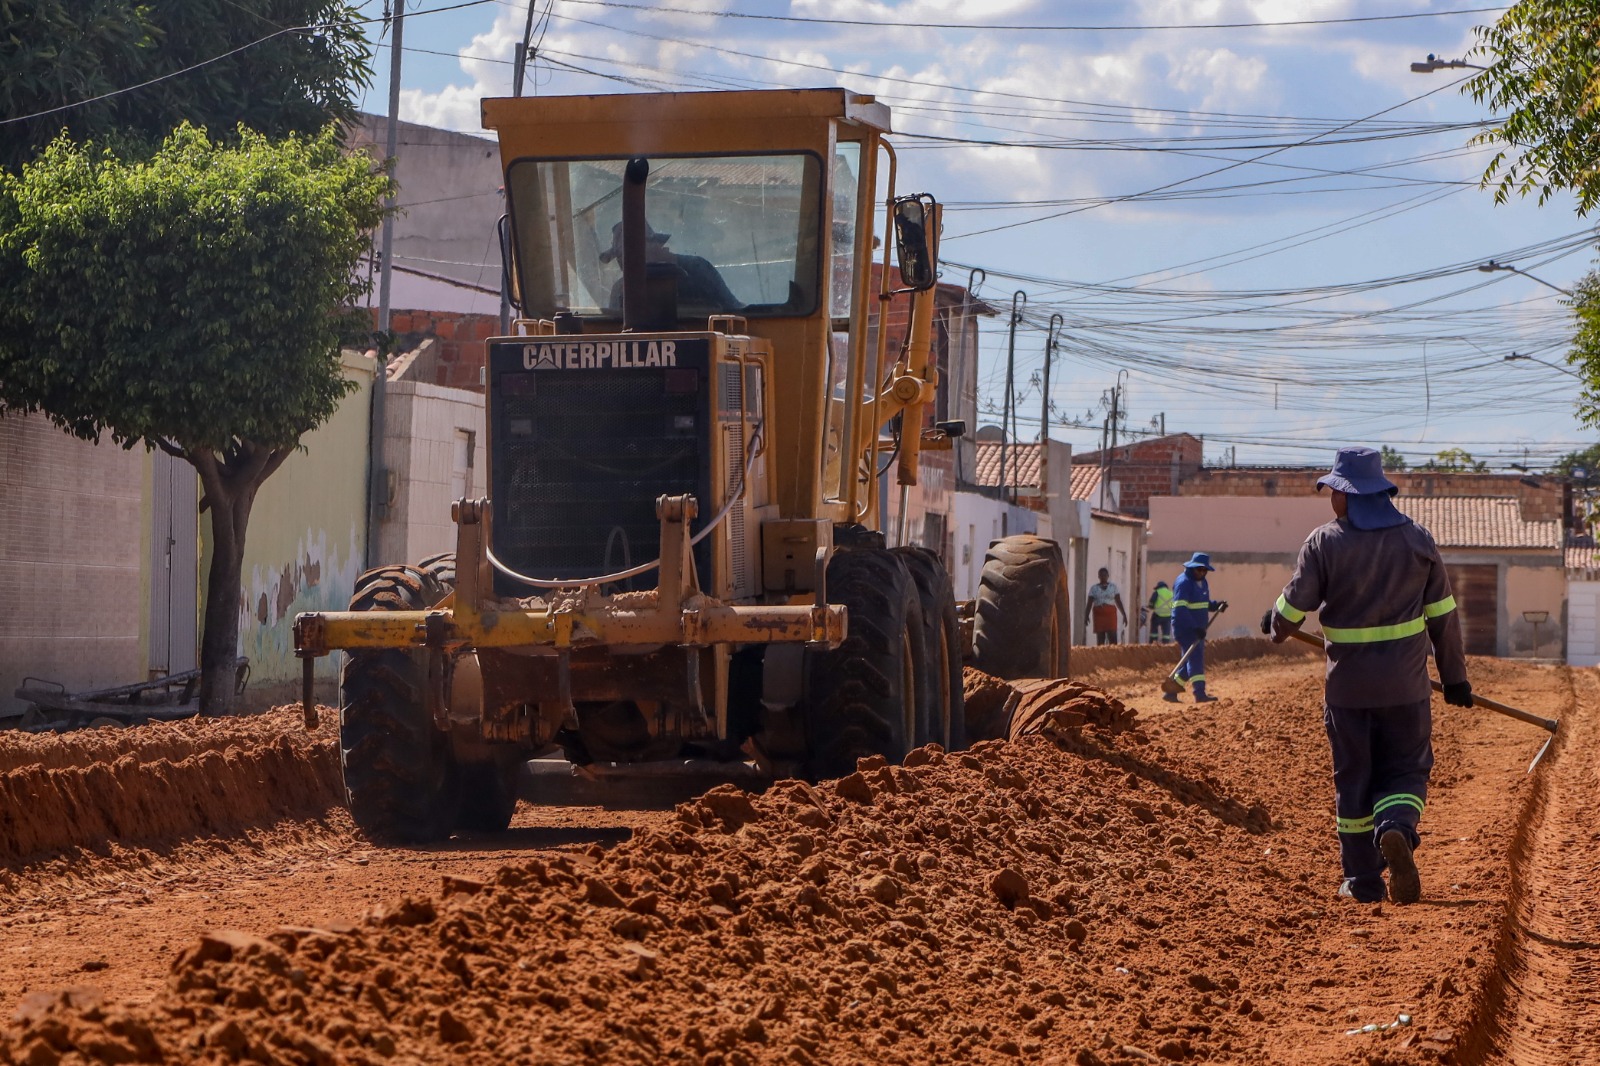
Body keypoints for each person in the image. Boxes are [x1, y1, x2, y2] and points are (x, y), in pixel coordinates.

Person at [1263, 446, 1470, 906]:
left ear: (1348, 495)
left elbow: (1294, 608)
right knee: (1406, 770)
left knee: (1354, 780)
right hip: (1406, 688)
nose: (1330, 498)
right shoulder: (1418, 539)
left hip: (1348, 693)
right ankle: (1395, 827)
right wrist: (1455, 679)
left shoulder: (1324, 542)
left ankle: (1363, 882)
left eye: (1333, 490)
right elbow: (1443, 618)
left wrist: (1274, 622)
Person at [601, 220, 743, 314]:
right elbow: (614, 331)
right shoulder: (621, 290)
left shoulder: (697, 269)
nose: (622, 262)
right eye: (619, 256)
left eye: (631, 251)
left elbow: (736, 312)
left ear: (655, 244)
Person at [1167, 553, 1226, 703]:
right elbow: (1180, 610)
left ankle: (1171, 691)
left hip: (1199, 628)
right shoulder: (1184, 583)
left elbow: (1202, 603)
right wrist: (1194, 628)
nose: (1201, 573)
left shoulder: (1203, 582)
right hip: (1186, 628)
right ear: (1191, 568)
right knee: (1196, 660)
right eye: (1198, 570)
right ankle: (1199, 693)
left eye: (1204, 570)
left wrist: (1216, 606)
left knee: (1189, 660)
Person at [1084, 568, 1127, 645]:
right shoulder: (1094, 588)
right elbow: (1089, 603)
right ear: (1098, 576)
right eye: (1101, 575)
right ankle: (1101, 656)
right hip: (1099, 616)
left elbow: (1118, 601)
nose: (1103, 577)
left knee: (1113, 637)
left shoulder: (1113, 587)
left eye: (1105, 575)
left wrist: (1124, 614)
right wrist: (1086, 615)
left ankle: (1113, 655)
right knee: (1100, 638)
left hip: (1110, 615)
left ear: (1108, 576)